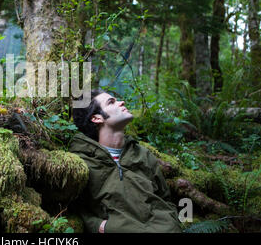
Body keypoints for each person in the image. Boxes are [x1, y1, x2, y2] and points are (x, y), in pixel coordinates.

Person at [70, 89, 181, 233]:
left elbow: (166, 199)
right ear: (97, 118)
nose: (122, 102)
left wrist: (173, 222)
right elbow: (75, 208)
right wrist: (98, 226)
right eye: (111, 102)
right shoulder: (82, 162)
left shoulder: (143, 154)